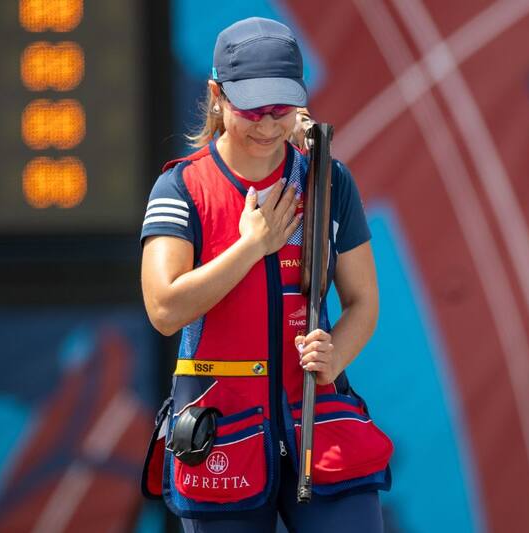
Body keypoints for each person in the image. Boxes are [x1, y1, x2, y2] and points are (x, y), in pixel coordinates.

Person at [139, 17, 393, 533]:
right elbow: (164, 310)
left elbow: (363, 300)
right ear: (216, 95)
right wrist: (253, 245)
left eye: (280, 108)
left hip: (318, 420)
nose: (267, 124)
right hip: (221, 432)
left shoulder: (327, 179)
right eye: (251, 107)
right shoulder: (180, 187)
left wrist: (335, 353)